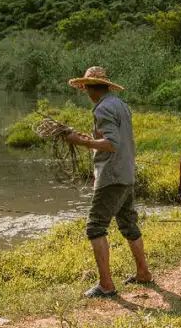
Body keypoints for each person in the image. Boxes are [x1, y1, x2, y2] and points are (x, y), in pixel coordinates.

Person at [65, 66, 152, 298]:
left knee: (95, 227)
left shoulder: (102, 108)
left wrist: (81, 142)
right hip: (126, 172)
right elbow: (112, 138)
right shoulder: (120, 104)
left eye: (85, 88)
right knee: (128, 223)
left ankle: (106, 285)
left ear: (89, 87)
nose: (85, 92)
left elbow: (112, 143)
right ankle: (143, 273)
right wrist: (90, 138)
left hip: (111, 175)